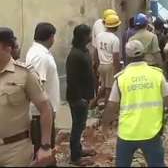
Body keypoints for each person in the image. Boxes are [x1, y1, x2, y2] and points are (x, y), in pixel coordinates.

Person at [101, 40, 168, 167]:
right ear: (144, 54)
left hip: (127, 133)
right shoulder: (156, 75)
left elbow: (112, 105)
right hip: (151, 132)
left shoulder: (121, 78)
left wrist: (105, 125)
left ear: (127, 56)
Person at [0, 27, 53, 166]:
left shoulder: (25, 74)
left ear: (7, 47)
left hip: (15, 150)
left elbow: (45, 109)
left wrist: (45, 146)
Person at [26, 22, 59, 156]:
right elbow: (39, 86)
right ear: (51, 37)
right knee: (43, 152)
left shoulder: (39, 52)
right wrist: (48, 110)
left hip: (44, 113)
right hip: (41, 115)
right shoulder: (40, 56)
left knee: (46, 153)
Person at [66, 25, 97, 166]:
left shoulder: (84, 50)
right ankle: (75, 157)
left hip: (84, 96)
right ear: (83, 36)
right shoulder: (75, 55)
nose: (91, 37)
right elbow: (72, 79)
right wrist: (80, 98)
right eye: (89, 34)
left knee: (81, 124)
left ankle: (79, 149)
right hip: (78, 98)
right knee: (77, 126)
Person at [94, 14, 122, 107]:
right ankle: (106, 108)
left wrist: (97, 65)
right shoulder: (115, 39)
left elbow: (97, 51)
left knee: (102, 87)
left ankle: (93, 104)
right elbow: (116, 58)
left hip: (101, 65)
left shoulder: (99, 36)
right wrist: (118, 72)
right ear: (115, 26)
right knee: (109, 89)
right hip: (110, 66)